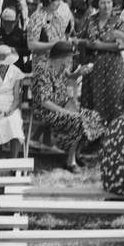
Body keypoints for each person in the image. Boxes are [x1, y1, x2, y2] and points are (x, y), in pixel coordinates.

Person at [31, 41, 103, 171]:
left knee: (93, 116)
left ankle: (76, 153)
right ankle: (70, 161)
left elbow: (69, 78)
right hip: (46, 110)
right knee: (78, 121)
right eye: (70, 57)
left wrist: (78, 73)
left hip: (62, 106)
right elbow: (44, 101)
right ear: (62, 57)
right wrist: (65, 112)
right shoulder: (42, 70)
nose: (71, 59)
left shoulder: (61, 67)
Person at [77, 0, 124, 120]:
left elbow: (122, 45)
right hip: (93, 64)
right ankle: (93, 132)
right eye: (102, 3)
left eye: (109, 2)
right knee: (92, 97)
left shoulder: (118, 22)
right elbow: (80, 39)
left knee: (112, 96)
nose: (106, 6)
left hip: (112, 65)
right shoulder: (90, 20)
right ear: (97, 5)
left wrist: (100, 46)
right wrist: (86, 43)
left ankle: (112, 131)